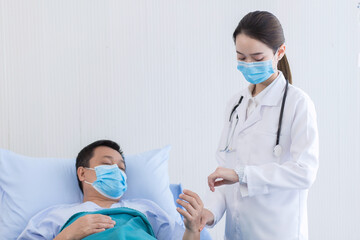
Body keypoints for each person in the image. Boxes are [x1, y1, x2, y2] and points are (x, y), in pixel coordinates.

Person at [199, 11, 319, 240]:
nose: (248, 64)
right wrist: (209, 213)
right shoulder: (235, 105)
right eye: (241, 57)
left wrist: (243, 175)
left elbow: (305, 172)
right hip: (237, 232)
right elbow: (225, 174)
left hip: (277, 231)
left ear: (279, 52)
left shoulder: (297, 104)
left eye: (257, 57)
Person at [18, 140, 204, 240]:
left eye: (121, 168)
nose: (116, 170)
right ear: (82, 173)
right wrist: (67, 235)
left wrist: (192, 229)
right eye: (107, 164)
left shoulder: (146, 208)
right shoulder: (54, 216)